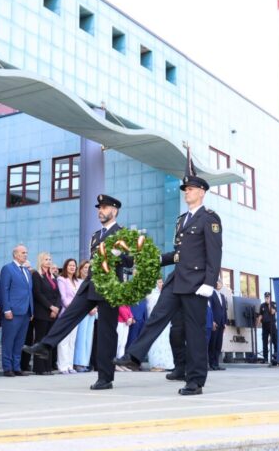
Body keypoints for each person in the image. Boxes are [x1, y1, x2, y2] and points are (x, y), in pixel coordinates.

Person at [115, 169, 222, 396]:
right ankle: (134, 356)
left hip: (196, 283)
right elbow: (177, 254)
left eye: (190, 189)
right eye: (185, 189)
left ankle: (195, 381)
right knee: (157, 317)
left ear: (201, 192)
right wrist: (142, 260)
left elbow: (214, 253)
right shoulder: (182, 220)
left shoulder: (209, 218)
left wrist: (209, 283)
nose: (186, 192)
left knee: (193, 333)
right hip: (177, 279)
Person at [25, 194, 132, 390]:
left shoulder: (122, 233)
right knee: (69, 315)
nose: (100, 211)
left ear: (114, 211)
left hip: (109, 288)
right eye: (99, 208)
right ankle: (45, 346)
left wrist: (119, 254)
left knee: (107, 333)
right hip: (91, 284)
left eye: (105, 208)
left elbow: (130, 262)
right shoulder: (95, 235)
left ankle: (105, 378)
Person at [0, 244, 33, 377]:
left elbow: (29, 292)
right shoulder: (8, 269)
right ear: (15, 254)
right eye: (23, 252)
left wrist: (31, 310)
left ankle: (17, 367)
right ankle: (7, 368)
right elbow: (4, 290)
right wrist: (6, 309)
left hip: (26, 312)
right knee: (8, 340)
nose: (25, 255)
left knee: (19, 341)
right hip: (12, 311)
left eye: (26, 252)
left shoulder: (26, 271)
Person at [30, 252, 61, 375]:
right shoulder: (37, 275)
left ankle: (48, 367)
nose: (49, 261)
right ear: (41, 261)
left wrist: (56, 308)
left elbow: (58, 294)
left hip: (53, 313)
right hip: (42, 312)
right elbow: (38, 294)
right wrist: (50, 307)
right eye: (46, 259)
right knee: (40, 339)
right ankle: (39, 368)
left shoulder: (52, 276)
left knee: (49, 340)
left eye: (50, 259)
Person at [56, 258, 80, 374]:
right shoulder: (61, 279)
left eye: (74, 266)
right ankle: (62, 366)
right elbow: (63, 297)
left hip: (76, 315)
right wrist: (73, 308)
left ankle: (70, 365)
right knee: (64, 341)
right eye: (70, 265)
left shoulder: (78, 281)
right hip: (66, 314)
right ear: (66, 267)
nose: (72, 267)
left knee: (72, 341)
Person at [146, 279, 175, 371]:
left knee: (165, 341)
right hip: (155, 320)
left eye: (162, 282)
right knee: (156, 341)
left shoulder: (165, 294)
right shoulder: (151, 295)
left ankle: (165, 363)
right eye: (159, 282)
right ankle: (155, 364)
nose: (161, 284)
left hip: (166, 322)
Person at [72, 260, 95, 372]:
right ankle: (78, 362)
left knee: (88, 338)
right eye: (85, 267)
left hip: (93, 312)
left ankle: (85, 362)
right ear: (80, 269)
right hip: (83, 312)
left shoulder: (93, 281)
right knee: (80, 338)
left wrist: (95, 308)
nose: (87, 269)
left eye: (88, 267)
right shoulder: (77, 281)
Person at [208, 279, 227, 371]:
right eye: (217, 283)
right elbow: (210, 308)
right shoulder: (211, 294)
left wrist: (225, 323)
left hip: (221, 323)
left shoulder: (223, 296)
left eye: (220, 283)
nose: (218, 284)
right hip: (214, 322)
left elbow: (224, 310)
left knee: (219, 345)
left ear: (222, 285)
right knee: (212, 343)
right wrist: (212, 321)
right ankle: (211, 364)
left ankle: (216, 363)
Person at [258, 293, 277, 364]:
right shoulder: (262, 305)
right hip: (264, 325)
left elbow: (272, 312)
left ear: (270, 298)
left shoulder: (273, 304)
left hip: (272, 325)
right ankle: (265, 358)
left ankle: (275, 357)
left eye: (268, 298)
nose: (267, 299)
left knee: (274, 341)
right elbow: (260, 315)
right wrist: (258, 322)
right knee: (264, 341)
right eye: (266, 298)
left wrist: (269, 304)